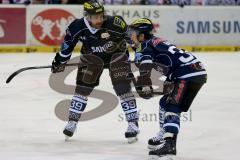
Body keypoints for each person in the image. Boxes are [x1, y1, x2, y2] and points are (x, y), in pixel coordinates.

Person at [51, 0, 139, 143]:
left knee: (122, 88)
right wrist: (59, 61)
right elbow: (67, 45)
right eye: (95, 17)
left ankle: (133, 123)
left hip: (117, 57)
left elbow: (134, 41)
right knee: (82, 89)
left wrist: (142, 56)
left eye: (101, 15)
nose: (99, 20)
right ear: (87, 16)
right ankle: (72, 122)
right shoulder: (77, 26)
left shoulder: (116, 23)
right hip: (91, 58)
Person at [128, 18, 207, 159]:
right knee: (164, 102)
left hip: (186, 73)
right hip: (196, 71)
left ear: (141, 35)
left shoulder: (144, 45)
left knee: (172, 105)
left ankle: (169, 145)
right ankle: (164, 135)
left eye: (133, 32)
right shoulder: (155, 41)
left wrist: (144, 83)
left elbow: (146, 65)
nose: (130, 35)